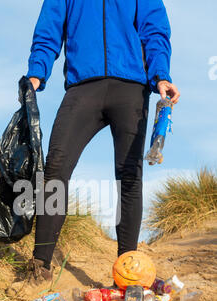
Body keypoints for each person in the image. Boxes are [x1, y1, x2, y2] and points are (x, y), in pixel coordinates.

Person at [25, 0, 180, 285]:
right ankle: (40, 266)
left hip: (131, 88)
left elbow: (154, 31)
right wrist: (37, 73)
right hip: (83, 87)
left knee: (129, 176)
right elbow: (49, 29)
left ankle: (128, 277)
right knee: (55, 168)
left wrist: (161, 76)